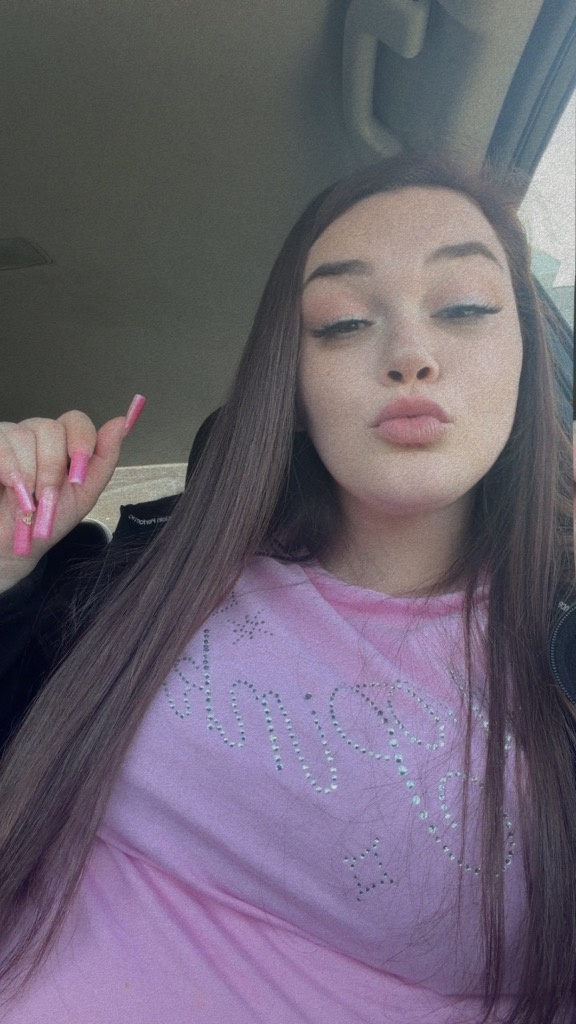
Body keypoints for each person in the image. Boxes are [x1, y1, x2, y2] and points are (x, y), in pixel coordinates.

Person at [0, 154, 574, 1024]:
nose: (409, 355)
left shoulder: (560, 654)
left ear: (527, 363)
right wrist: (9, 571)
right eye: (342, 322)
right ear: (294, 387)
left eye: (463, 308)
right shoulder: (155, 575)